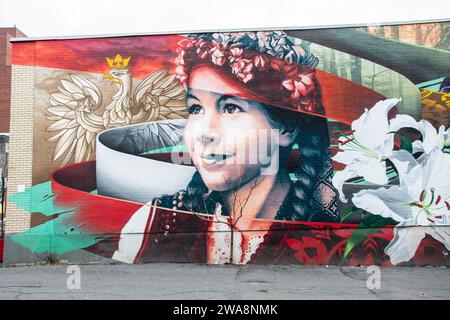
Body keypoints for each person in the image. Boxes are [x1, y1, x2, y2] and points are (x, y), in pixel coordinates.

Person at [113, 31, 340, 265]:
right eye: (196, 109)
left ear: (286, 128)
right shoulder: (155, 222)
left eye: (231, 108)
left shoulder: (327, 241)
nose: (204, 133)